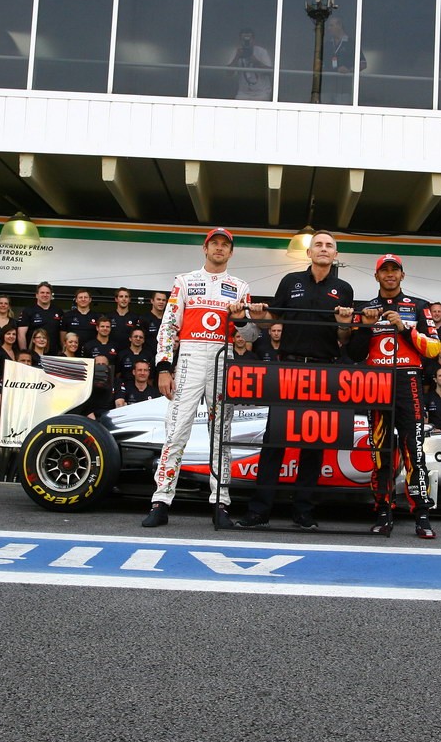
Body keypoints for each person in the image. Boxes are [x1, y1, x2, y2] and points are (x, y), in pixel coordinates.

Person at [239, 231, 354, 530]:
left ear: (335, 253)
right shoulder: (291, 282)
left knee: (315, 444)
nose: (324, 249)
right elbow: (269, 320)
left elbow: (345, 337)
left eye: (329, 246)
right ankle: (259, 511)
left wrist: (344, 326)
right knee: (274, 442)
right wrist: (256, 314)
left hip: (325, 373)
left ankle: (303, 512)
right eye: (318, 244)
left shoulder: (344, 289)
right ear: (310, 252)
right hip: (288, 371)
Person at [143, 227, 253, 529]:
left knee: (223, 434)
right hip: (190, 359)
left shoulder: (240, 287)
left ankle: (221, 504)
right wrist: (164, 367)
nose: (219, 249)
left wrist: (241, 318)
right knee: (176, 430)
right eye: (214, 244)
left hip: (223, 359)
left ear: (231, 252)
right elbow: (168, 327)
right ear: (205, 249)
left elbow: (251, 335)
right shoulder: (185, 281)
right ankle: (161, 501)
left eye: (224, 245)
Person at [348, 254, 441, 539]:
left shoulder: (419, 307)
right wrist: (365, 324)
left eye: (394, 270)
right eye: (384, 271)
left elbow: (434, 349)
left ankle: (421, 515)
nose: (389, 275)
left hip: (408, 381)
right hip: (376, 382)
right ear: (376, 276)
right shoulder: (364, 309)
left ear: (402, 275)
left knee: (414, 449)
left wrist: (405, 328)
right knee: (381, 452)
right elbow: (353, 353)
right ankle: (383, 511)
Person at [320, 15, 366, 105]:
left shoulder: (351, 43)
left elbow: (363, 64)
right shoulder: (327, 44)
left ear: (339, 25)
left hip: (343, 89)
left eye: (331, 25)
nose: (328, 28)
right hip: (326, 87)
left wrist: (349, 70)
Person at [229, 27, 273, 102]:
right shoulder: (237, 52)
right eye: (244, 40)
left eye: (248, 39)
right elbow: (229, 73)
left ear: (253, 40)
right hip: (243, 93)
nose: (247, 42)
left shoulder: (262, 52)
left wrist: (256, 62)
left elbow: (270, 72)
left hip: (262, 92)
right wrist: (237, 57)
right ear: (240, 40)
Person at [19, 282, 62, 350]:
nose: (45, 295)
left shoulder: (58, 311)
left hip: (53, 354)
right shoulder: (28, 311)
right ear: (36, 295)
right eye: (42, 292)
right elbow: (21, 334)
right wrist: (24, 353)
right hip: (33, 354)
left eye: (48, 293)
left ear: (51, 295)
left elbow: (62, 333)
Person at [142, 290, 168, 356]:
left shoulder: (168, 319)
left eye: (163, 300)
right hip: (148, 355)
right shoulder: (144, 318)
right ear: (152, 301)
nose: (161, 302)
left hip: (165, 355)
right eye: (158, 299)